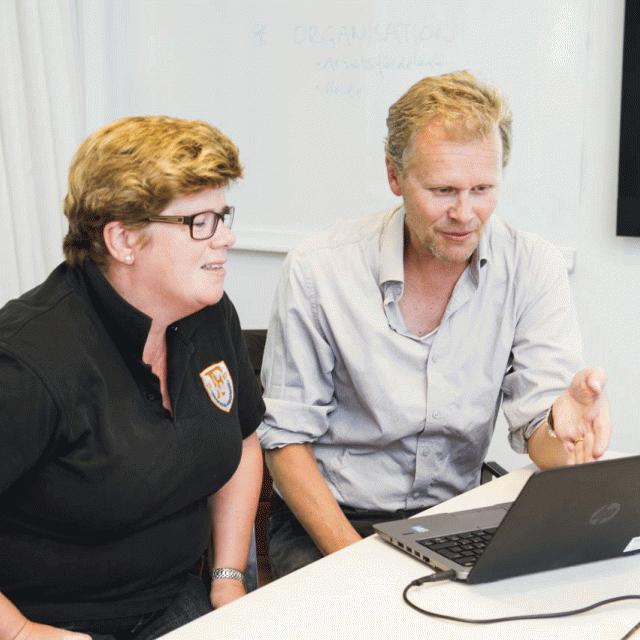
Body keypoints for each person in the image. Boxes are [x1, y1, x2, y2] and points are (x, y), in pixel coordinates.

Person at [257, 71, 611, 578]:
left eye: (483, 188)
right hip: (337, 520)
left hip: (455, 515)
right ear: (395, 176)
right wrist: (355, 570)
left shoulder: (533, 266)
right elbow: (286, 441)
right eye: (443, 190)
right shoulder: (319, 271)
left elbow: (541, 436)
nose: (465, 213)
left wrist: (564, 433)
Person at [0, 116, 265, 639]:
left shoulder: (207, 313)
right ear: (123, 239)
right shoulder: (27, 361)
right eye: (200, 222)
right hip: (53, 621)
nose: (227, 237)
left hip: (173, 599)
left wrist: (228, 579)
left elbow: (244, 442)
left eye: (223, 214)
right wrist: (21, 631)